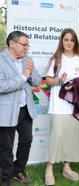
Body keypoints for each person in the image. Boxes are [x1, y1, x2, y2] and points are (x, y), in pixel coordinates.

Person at [45, 28, 79, 185]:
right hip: (58, 106)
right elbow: (48, 81)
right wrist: (61, 81)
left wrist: (75, 84)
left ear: (75, 42)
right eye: (66, 39)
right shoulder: (56, 59)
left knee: (71, 137)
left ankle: (67, 167)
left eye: (72, 40)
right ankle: (49, 168)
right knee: (57, 136)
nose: (68, 43)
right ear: (62, 41)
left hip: (75, 106)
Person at [0, 31, 42, 186]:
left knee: (26, 140)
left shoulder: (27, 59)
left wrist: (30, 74)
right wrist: (23, 76)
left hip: (25, 110)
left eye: (27, 45)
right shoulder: (1, 60)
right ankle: (6, 178)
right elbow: (2, 85)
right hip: (6, 111)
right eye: (24, 45)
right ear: (12, 43)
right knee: (6, 147)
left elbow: (37, 82)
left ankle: (18, 170)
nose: (27, 48)